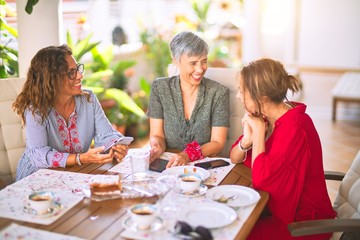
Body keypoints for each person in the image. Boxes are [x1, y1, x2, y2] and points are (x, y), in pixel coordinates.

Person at [230, 58, 336, 240]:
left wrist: (257, 134)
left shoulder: (296, 127)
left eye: (242, 90)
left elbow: (261, 181)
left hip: (304, 223)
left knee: (234, 232)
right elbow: (234, 156)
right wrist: (246, 141)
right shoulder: (265, 118)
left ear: (262, 96)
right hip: (273, 210)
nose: (238, 96)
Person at [13, 44, 129, 180]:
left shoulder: (88, 99)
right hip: (37, 176)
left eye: (78, 69)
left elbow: (106, 134)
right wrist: (80, 158)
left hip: (75, 172)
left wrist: (116, 146)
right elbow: (39, 154)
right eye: (71, 73)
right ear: (52, 79)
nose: (80, 75)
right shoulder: (36, 108)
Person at [147, 31, 230, 167]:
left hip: (204, 166)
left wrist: (188, 155)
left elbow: (217, 143)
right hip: (170, 165)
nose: (200, 69)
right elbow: (157, 135)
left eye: (203, 61)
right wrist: (156, 148)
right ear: (176, 61)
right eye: (193, 63)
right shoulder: (160, 88)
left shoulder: (218, 93)